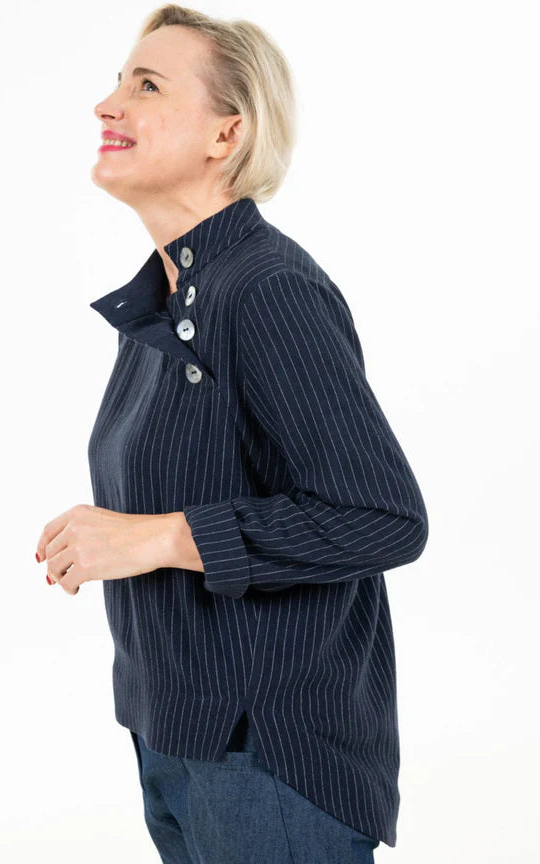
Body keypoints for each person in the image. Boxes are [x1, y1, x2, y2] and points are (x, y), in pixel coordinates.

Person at [35, 5, 429, 862]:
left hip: (268, 761)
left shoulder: (266, 289)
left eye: (145, 85)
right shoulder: (170, 300)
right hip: (176, 735)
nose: (107, 105)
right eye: (114, 80)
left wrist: (162, 536)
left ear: (227, 135)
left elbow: (382, 517)